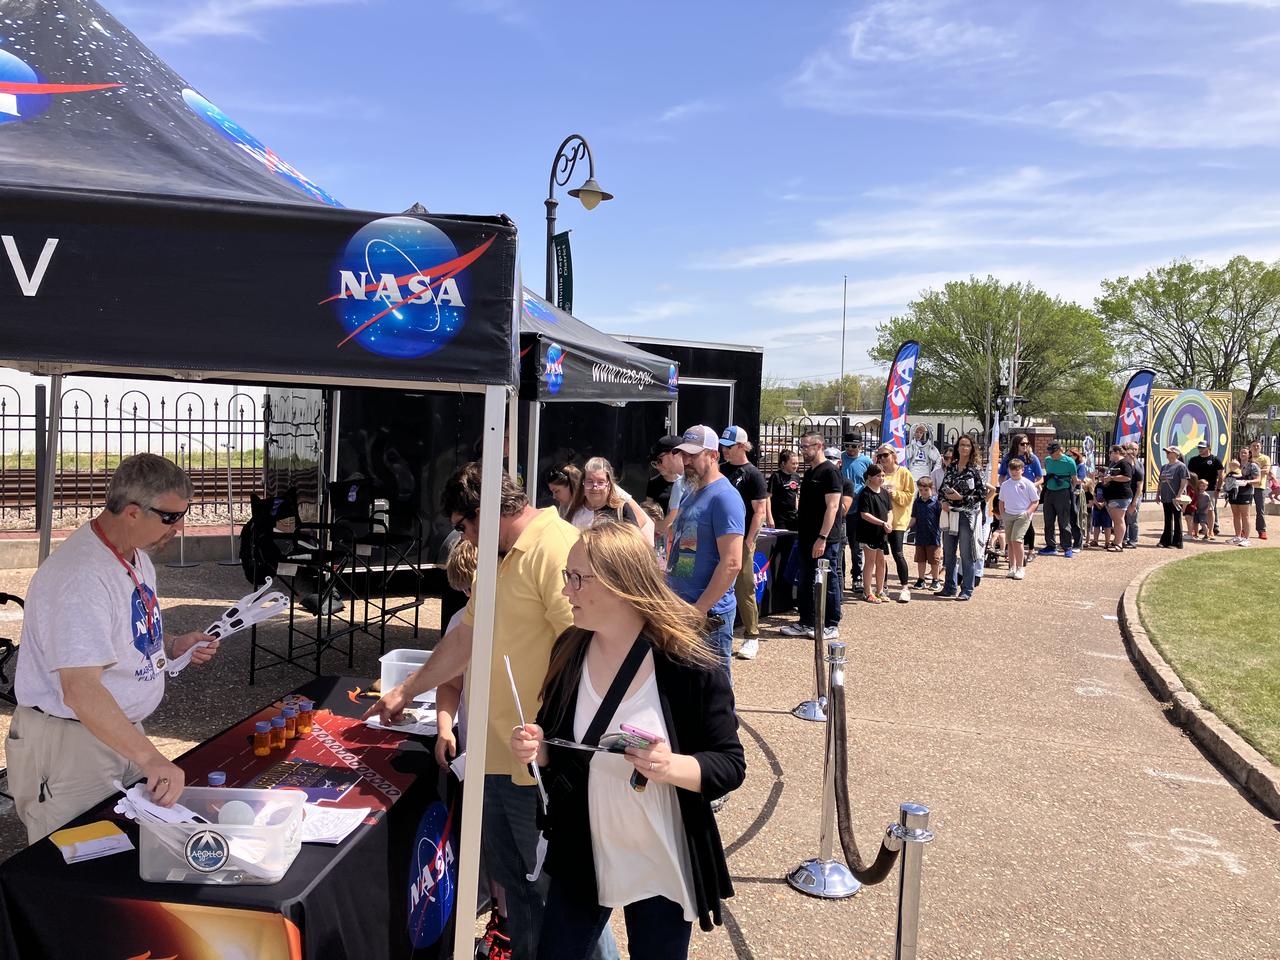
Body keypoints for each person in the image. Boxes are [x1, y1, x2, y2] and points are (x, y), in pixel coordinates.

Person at [365, 464, 615, 960]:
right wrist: (407, 691)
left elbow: (586, 649)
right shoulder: (495, 560)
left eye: (464, 524)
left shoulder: (557, 548)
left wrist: (555, 741)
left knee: (561, 900)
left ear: (488, 511)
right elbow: (466, 638)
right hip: (492, 755)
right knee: (517, 894)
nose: (463, 536)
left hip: (536, 767)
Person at [510, 522, 745, 960]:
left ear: (621, 584)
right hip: (583, 845)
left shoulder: (687, 659)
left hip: (659, 852)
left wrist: (669, 765)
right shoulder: (570, 647)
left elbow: (729, 764)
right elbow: (553, 737)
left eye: (577, 578)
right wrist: (536, 748)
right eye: (568, 576)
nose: (567, 591)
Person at [8, 454, 220, 844]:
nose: (178, 528)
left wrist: (171, 645)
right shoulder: (80, 576)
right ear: (134, 512)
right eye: (170, 518)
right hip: (72, 745)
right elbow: (80, 689)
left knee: (122, 853)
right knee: (75, 859)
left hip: (117, 734)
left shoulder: (135, 555)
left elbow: (121, 631)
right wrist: (151, 758)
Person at [665, 426, 744, 674]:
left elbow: (732, 563)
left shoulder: (725, 497)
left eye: (693, 455)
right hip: (682, 609)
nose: (686, 461)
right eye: (683, 455)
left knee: (714, 694)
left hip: (708, 617)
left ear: (713, 455)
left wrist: (698, 610)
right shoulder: (691, 492)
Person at [782, 432, 842, 640]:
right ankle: (806, 620)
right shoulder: (809, 473)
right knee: (806, 579)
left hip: (825, 539)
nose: (803, 450)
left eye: (807, 446)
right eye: (802, 446)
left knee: (828, 579)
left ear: (819, 446)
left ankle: (831, 623)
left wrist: (823, 537)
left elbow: (833, 507)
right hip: (806, 536)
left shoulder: (830, 472)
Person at [719, 427, 767, 662]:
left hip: (741, 540)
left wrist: (749, 542)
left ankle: (752, 635)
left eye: (728, 446)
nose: (724, 451)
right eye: (723, 446)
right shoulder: (721, 470)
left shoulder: (753, 474)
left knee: (744, 587)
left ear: (741, 446)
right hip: (721, 538)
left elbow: (759, 511)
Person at [937, 435, 986, 601]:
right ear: (957, 447)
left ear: (972, 449)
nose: (964, 448)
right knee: (949, 553)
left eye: (967, 445)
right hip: (950, 513)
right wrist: (943, 500)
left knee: (966, 553)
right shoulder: (951, 467)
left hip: (967, 515)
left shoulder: (975, 470)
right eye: (962, 445)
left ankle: (967, 589)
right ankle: (949, 587)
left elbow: (982, 494)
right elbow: (942, 488)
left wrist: (962, 499)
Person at [875, 445, 916, 602]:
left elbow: (909, 495)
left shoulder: (904, 473)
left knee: (898, 553)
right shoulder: (879, 472)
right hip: (881, 519)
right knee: (880, 555)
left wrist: (894, 494)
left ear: (893, 455)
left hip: (898, 520)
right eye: (880, 456)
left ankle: (905, 587)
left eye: (885, 455)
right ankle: (882, 586)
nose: (883, 459)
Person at [583, 457, 653, 543]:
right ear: (583, 483)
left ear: (609, 485)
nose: (595, 487)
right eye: (589, 482)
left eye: (601, 482)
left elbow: (635, 541)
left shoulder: (622, 509)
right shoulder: (574, 511)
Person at [1000, 434, 1043, 556]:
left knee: (1026, 520)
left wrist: (1031, 486)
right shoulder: (1008, 458)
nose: (1025, 446)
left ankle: (1030, 549)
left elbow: (1040, 478)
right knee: (1011, 522)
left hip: (1028, 494)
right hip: (1012, 493)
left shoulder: (1032, 458)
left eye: (1027, 444)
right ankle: (1011, 550)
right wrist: (1004, 487)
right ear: (1016, 444)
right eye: (1022, 444)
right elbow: (1002, 475)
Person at [839, 436, 872, 592]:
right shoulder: (840, 458)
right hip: (840, 508)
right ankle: (840, 576)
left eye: (854, 446)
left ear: (861, 446)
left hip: (857, 509)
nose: (850, 449)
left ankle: (857, 577)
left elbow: (871, 482)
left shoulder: (866, 461)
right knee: (840, 545)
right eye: (847, 446)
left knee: (856, 546)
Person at [855, 464, 892, 603]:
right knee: (870, 561)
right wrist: (882, 523)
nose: (881, 478)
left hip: (882, 532)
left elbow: (889, 510)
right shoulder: (865, 493)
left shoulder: (884, 492)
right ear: (870, 477)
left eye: (882, 475)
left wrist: (888, 522)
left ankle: (880, 590)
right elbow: (864, 514)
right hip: (868, 532)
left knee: (881, 561)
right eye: (878, 475)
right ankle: (867, 591)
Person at [999, 457, 1039, 580]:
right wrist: (1003, 514)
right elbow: (1001, 501)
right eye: (1011, 469)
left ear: (1022, 470)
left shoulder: (1028, 483)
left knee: (1017, 540)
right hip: (1008, 515)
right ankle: (1012, 566)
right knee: (1010, 542)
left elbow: (1035, 501)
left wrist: (1027, 513)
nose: (1014, 471)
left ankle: (1020, 568)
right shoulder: (1005, 484)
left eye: (1017, 469)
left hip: (1022, 515)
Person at [1036, 443, 1077, 558]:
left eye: (1053, 452)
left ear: (1060, 450)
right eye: (1050, 452)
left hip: (1063, 493)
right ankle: (1050, 546)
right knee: (1048, 520)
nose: (1051, 454)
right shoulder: (1048, 460)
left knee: (1064, 521)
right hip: (1049, 492)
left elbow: (1074, 480)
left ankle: (1067, 546)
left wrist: (1069, 491)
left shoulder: (1069, 462)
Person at [909, 476, 942, 589]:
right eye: (921, 490)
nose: (923, 492)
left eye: (926, 490)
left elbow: (941, 519)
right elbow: (914, 518)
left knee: (934, 560)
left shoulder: (936, 503)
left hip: (933, 536)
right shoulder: (917, 502)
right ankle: (921, 579)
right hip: (920, 536)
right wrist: (907, 527)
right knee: (920, 559)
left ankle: (935, 579)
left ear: (931, 489)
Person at [1101, 445, 1135, 552]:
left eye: (1110, 452)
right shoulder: (1112, 464)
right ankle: (1116, 541)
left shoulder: (1124, 463)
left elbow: (1127, 477)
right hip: (1111, 496)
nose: (1109, 454)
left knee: (1119, 520)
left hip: (1121, 496)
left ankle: (1119, 543)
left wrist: (1111, 478)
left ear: (1116, 452)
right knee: (1115, 520)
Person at [1156, 444, 1190, 549]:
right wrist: (1158, 494)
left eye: (1169, 452)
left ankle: (1177, 542)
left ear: (1176, 454)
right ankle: (1165, 541)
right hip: (1166, 497)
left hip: (1175, 497)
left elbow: (1184, 481)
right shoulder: (1164, 467)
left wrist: (1179, 495)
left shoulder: (1181, 466)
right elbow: (1161, 481)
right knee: (1167, 519)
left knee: (1177, 518)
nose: (1167, 454)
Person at [645, 436, 684, 516]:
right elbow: (649, 511)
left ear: (674, 454)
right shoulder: (653, 483)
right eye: (654, 463)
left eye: (660, 460)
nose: (658, 466)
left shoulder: (690, 481)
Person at [1230, 448, 1261, 547]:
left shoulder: (1253, 466)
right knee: (1235, 515)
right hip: (1234, 492)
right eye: (1241, 452)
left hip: (1246, 492)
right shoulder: (1236, 464)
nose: (1242, 454)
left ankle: (1246, 538)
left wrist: (1247, 482)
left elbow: (1258, 480)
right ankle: (1237, 536)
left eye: (1245, 453)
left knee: (1245, 515)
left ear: (1249, 455)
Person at [765, 449, 800, 532]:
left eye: (797, 463)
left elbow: (795, 496)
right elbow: (768, 498)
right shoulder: (776, 476)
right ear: (783, 464)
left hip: (793, 516)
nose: (796, 466)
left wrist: (797, 511)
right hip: (779, 517)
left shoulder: (796, 476)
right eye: (793, 463)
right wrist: (769, 517)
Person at [1249, 439, 1271, 540]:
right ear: (1250, 447)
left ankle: (1262, 530)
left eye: (1257, 446)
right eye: (1254, 446)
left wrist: (1252, 470)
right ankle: (1244, 529)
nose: (1256, 447)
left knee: (1260, 510)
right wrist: (1258, 470)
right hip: (1247, 487)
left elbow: (1266, 471)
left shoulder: (1265, 458)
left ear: (1261, 447)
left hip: (1260, 487)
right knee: (1244, 510)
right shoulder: (1247, 457)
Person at [1124, 443, 1144, 547]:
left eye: (1136, 449)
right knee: (1123, 518)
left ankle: (1133, 540)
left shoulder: (1139, 465)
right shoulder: (1122, 463)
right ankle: (1123, 538)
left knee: (1132, 517)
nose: (1133, 451)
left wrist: (1134, 502)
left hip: (1135, 495)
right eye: (1131, 449)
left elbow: (1140, 485)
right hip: (1124, 495)